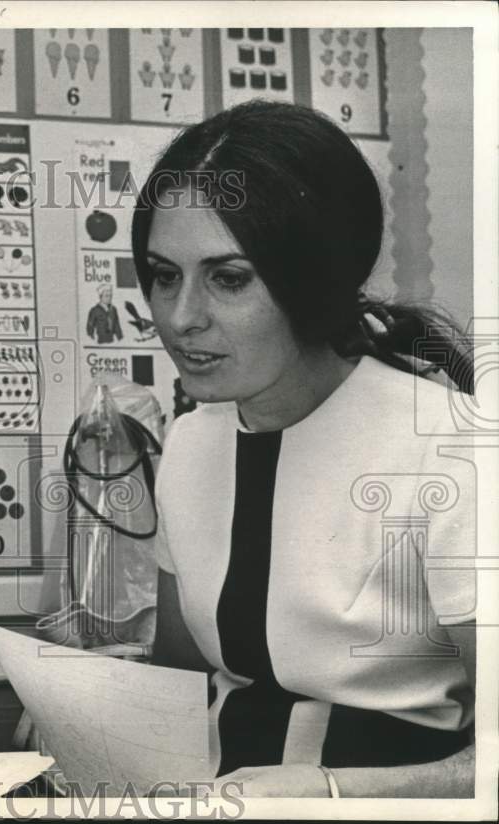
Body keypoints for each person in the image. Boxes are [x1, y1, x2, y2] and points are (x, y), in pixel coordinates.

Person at [132, 101, 477, 797]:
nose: (179, 317)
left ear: (314, 278)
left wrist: (333, 795)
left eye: (229, 279)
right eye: (165, 274)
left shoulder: (450, 446)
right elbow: (179, 680)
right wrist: (81, 706)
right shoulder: (192, 444)